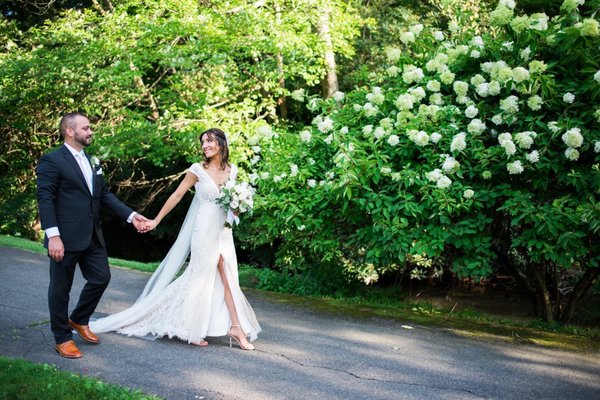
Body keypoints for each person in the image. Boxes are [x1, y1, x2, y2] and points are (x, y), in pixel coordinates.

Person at [89, 128, 261, 350]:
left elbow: (231, 208)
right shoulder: (197, 170)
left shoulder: (232, 171)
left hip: (223, 231)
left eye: (209, 141)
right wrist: (156, 220)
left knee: (228, 275)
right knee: (201, 277)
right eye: (202, 143)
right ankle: (194, 328)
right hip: (203, 230)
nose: (205, 146)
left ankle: (235, 327)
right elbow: (177, 195)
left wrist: (239, 208)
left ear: (221, 143)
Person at [36, 112, 148, 359]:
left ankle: (78, 319)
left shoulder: (92, 160)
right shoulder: (52, 160)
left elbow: (103, 194)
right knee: (60, 288)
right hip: (64, 237)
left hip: (92, 235)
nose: (90, 132)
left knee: (101, 277)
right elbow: (45, 199)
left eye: (90, 128)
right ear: (69, 131)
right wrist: (53, 236)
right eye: (86, 128)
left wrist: (131, 216)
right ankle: (62, 337)